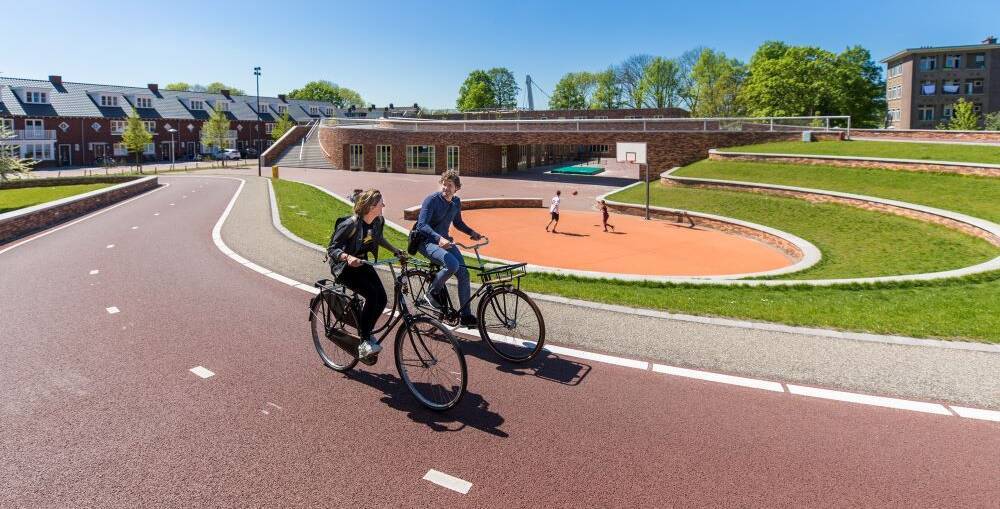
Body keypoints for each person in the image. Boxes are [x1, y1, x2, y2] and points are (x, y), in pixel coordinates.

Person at [327, 189, 405, 361]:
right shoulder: (350, 224)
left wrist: (395, 251)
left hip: (362, 263)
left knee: (382, 299)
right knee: (371, 294)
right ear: (371, 206)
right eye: (380, 203)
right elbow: (332, 249)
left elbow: (378, 238)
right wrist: (347, 257)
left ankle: (366, 330)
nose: (383, 205)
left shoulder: (377, 221)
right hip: (344, 268)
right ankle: (364, 341)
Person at [414, 170, 485, 327]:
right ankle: (432, 292)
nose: (445, 188)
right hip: (426, 242)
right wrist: (438, 238)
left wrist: (471, 232)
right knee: (452, 264)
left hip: (445, 242)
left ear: (457, 188)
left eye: (449, 185)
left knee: (464, 273)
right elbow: (421, 225)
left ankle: (466, 316)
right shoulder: (431, 200)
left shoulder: (456, 202)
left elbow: (458, 222)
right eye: (444, 185)